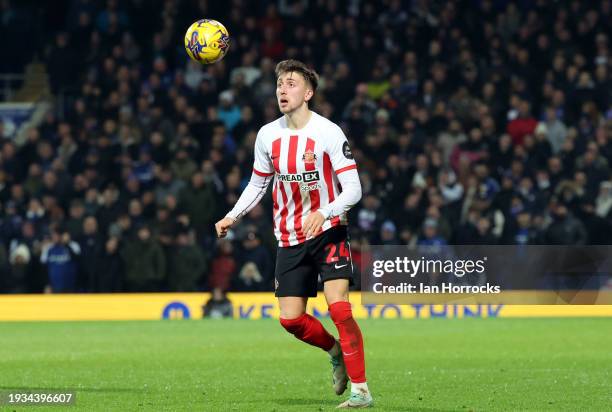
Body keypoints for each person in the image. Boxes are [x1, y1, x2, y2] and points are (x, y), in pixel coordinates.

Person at [215, 59, 372, 408]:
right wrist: (232, 216)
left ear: (309, 92)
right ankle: (335, 352)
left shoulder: (328, 132)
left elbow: (353, 189)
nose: (282, 90)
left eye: (291, 84)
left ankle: (361, 391)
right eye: (280, 84)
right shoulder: (268, 135)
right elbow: (258, 183)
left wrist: (325, 211)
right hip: (289, 235)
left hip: (329, 229)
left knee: (341, 310)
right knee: (291, 320)